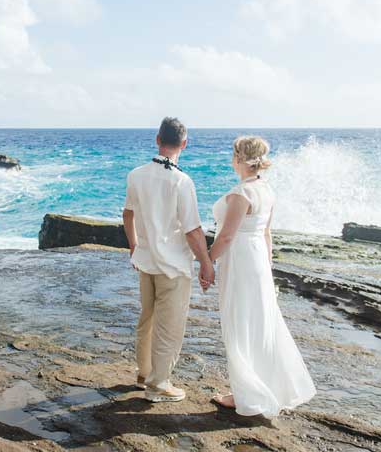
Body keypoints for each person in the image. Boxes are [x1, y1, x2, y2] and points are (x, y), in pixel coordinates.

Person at [207, 135, 315, 417]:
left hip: (241, 260)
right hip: (257, 260)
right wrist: (267, 268)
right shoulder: (266, 190)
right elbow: (267, 234)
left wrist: (207, 260)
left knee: (239, 322)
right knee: (259, 322)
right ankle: (263, 385)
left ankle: (245, 394)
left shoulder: (241, 194)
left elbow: (228, 235)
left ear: (239, 159)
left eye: (233, 155)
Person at [122, 117, 214, 403]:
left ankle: (143, 374)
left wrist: (135, 246)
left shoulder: (136, 174)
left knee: (147, 319)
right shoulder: (181, 181)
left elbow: (128, 215)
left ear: (157, 139)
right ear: (184, 144)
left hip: (146, 261)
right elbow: (193, 231)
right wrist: (206, 263)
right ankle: (158, 384)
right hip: (172, 266)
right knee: (169, 327)